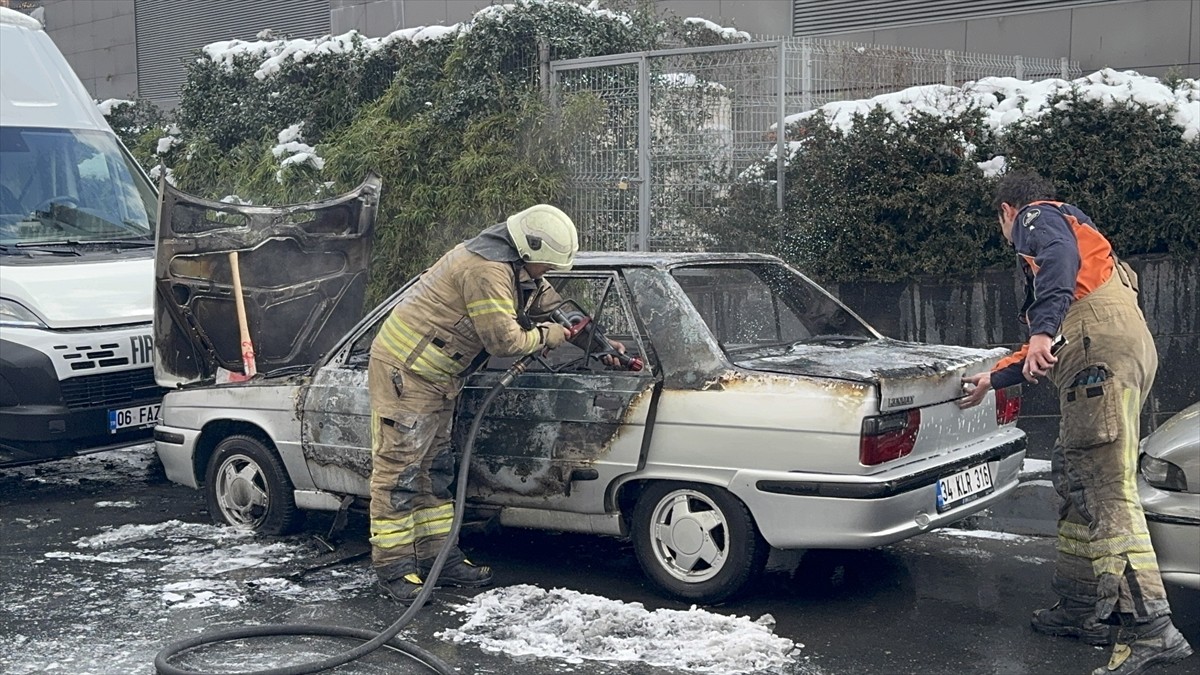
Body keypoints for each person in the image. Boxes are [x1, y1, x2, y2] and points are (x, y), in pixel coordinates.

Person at [959, 172, 1192, 675]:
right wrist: (992, 379)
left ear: (1005, 211)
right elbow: (1057, 340)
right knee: (1074, 473)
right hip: (1109, 354)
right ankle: (1082, 607)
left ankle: (1151, 628)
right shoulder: (1085, 248)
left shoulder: (1036, 216)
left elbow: (1056, 297)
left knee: (1103, 487)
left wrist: (1042, 330)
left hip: (1097, 362)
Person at [366, 204, 581, 603]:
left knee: (435, 470)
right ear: (528, 251)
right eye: (545, 266)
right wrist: (548, 337)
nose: (546, 274)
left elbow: (553, 306)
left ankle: (438, 560)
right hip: (406, 375)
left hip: (439, 378)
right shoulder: (485, 269)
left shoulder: (515, 263)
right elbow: (505, 342)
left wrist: (595, 340)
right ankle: (394, 570)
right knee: (400, 474)